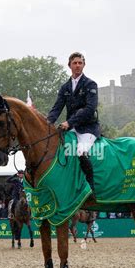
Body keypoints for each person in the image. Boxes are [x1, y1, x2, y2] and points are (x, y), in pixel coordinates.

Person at [47, 52, 100, 191]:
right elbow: (56, 108)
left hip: (88, 128)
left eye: (80, 63)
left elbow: (90, 109)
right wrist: (46, 124)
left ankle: (91, 187)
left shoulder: (90, 84)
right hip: (71, 129)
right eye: (74, 63)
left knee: (81, 152)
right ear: (69, 65)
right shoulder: (65, 87)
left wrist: (69, 123)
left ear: (84, 65)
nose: (77, 65)